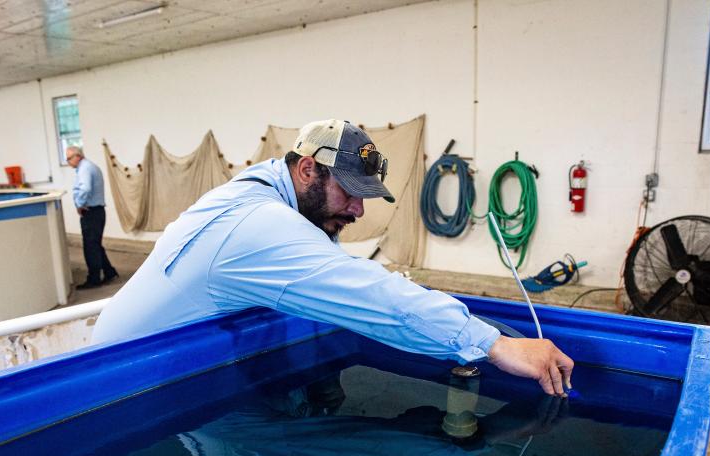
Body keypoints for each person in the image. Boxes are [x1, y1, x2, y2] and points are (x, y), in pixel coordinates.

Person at [93, 120, 574, 396]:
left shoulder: (275, 192)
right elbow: (373, 296)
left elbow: (337, 273)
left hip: (165, 366)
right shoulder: (256, 224)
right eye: (351, 192)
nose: (360, 210)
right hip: (116, 386)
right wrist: (497, 346)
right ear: (307, 169)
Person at [67, 145, 117, 289]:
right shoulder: (89, 166)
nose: (68, 161)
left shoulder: (85, 168)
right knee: (95, 245)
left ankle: (94, 279)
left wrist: (80, 204)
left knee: (90, 247)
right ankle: (109, 272)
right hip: (97, 211)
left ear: (78, 156)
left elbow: (85, 188)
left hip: (91, 212)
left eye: (69, 158)